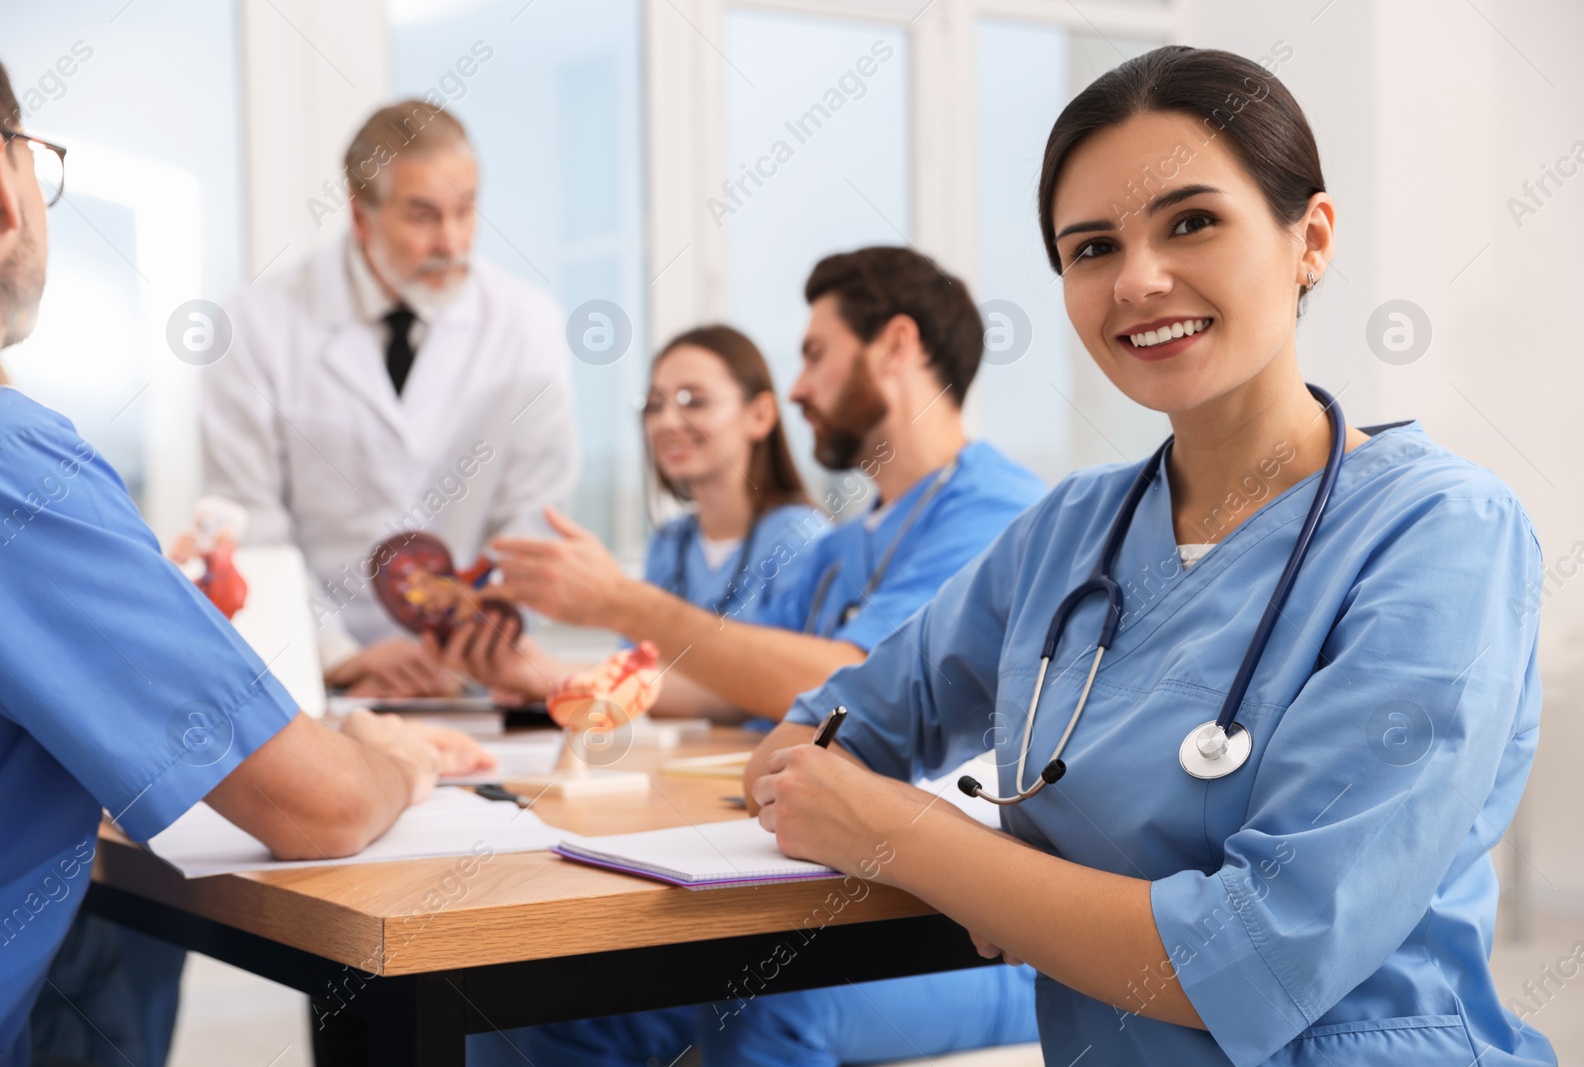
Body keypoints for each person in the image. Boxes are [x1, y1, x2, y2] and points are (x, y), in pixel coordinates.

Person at [744, 45, 1556, 1067]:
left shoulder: (1441, 534)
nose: (1136, 279)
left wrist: (923, 846)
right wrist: (933, 845)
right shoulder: (1067, 533)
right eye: (1089, 248)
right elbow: (823, 737)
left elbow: (1256, 958)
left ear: (1310, 238)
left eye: (1191, 222)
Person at [0, 63, 495, 1067]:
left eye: (465, 211)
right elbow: (327, 805)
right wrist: (386, 754)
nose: (448, 239)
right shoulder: (28, 475)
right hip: (326, 698)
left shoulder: (511, 322)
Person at [453, 249, 1046, 1065]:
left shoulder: (998, 514)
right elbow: (717, 677)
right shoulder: (843, 547)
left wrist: (621, 601)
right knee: (539, 1009)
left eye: (813, 354)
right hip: (827, 886)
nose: (796, 386)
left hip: (961, 927)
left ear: (897, 345)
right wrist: (541, 675)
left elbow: (844, 686)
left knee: (760, 1011)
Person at [202, 99, 579, 699]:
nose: (452, 241)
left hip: (471, 674)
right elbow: (252, 525)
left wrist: (484, 627)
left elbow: (535, 511)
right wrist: (340, 656)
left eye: (466, 210)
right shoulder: (257, 325)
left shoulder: (527, 324)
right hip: (320, 681)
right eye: (423, 215)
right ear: (359, 215)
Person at [444, 323, 821, 718]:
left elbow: (779, 688)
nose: (667, 422)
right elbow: (634, 677)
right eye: (654, 406)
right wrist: (530, 670)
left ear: (760, 415)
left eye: (693, 400)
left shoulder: (801, 538)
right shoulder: (670, 544)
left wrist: (556, 676)